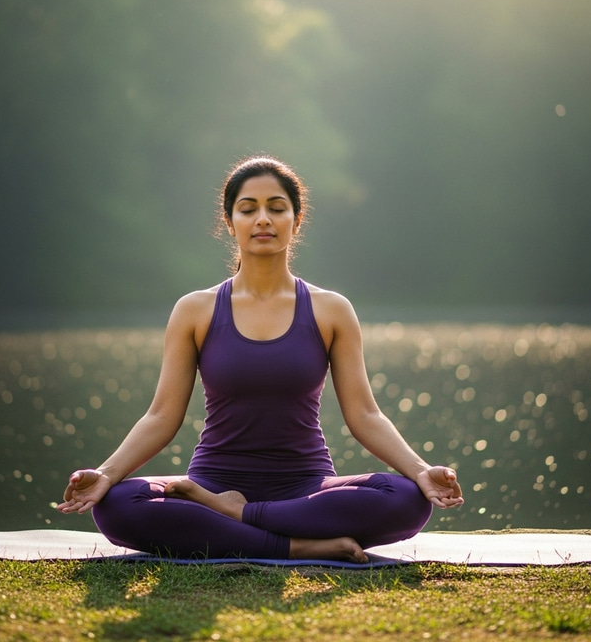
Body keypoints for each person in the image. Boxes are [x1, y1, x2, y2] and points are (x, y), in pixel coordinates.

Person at [57, 156, 463, 562]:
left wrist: (421, 470)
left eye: (277, 207)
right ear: (230, 223)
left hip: (306, 486)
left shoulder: (331, 310)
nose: (263, 219)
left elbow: (365, 416)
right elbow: (162, 415)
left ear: (296, 219)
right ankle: (293, 543)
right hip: (211, 484)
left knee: (407, 499)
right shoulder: (195, 310)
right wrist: (106, 475)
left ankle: (239, 517)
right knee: (117, 504)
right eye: (248, 209)